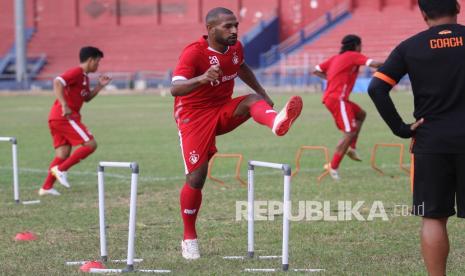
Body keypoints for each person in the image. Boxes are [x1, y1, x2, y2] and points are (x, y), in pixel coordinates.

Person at [171, 7, 303, 260]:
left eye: (236, 26)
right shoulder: (193, 53)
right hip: (194, 117)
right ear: (211, 30)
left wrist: (263, 93)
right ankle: (189, 237)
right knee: (197, 179)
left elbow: (241, 68)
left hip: (222, 109)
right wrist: (201, 78)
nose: (234, 31)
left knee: (252, 100)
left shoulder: (236, 47)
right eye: (227, 27)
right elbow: (175, 89)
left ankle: (277, 122)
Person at [368, 1, 463, 275]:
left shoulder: (410, 47)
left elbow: (377, 88)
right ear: (457, 7)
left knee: (433, 217)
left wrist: (400, 128)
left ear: (423, 14)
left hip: (431, 142)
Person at [39, 46, 111, 196]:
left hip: (56, 118)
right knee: (91, 144)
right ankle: (61, 169)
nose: (98, 66)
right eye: (97, 62)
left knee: (63, 154)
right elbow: (58, 82)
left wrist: (99, 86)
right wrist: (64, 105)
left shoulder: (84, 78)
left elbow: (86, 98)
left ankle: (46, 187)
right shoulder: (76, 72)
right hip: (64, 116)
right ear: (90, 60)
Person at [313, 35, 382, 180]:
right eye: (360, 45)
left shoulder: (335, 58)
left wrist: (330, 79)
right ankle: (333, 166)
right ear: (356, 45)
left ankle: (351, 148)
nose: (361, 48)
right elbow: (375, 64)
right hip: (337, 99)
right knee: (349, 132)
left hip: (337, 98)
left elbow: (316, 70)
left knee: (361, 114)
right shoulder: (353, 55)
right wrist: (399, 61)